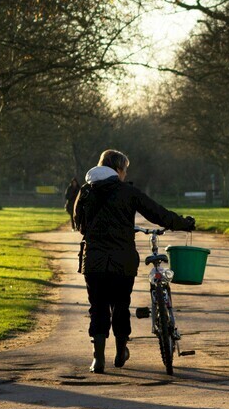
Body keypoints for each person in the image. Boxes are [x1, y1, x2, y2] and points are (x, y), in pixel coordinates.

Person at [73, 149, 195, 374]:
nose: (124, 173)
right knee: (121, 305)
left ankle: (97, 359)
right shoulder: (127, 192)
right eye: (125, 169)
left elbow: (78, 224)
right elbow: (157, 213)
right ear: (118, 169)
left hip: (94, 260)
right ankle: (121, 351)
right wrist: (183, 223)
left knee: (97, 306)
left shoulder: (86, 191)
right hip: (122, 260)